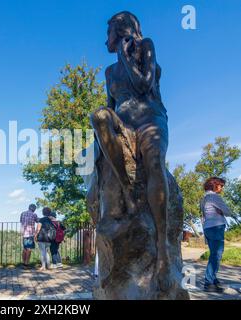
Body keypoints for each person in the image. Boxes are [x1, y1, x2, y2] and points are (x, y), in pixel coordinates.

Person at [91, 11, 171, 289]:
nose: (105, 42)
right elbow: (110, 107)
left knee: (153, 162)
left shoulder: (145, 46)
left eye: (108, 34)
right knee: (99, 116)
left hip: (150, 119)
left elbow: (143, 84)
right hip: (123, 123)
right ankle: (126, 189)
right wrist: (96, 154)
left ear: (123, 31)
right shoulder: (109, 72)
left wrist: (126, 56)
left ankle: (162, 247)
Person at [201, 177, 235, 293]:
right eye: (220, 185)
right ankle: (209, 282)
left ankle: (213, 279)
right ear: (214, 185)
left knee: (214, 254)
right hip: (216, 227)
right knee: (217, 255)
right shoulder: (215, 197)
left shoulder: (204, 198)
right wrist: (222, 212)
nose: (222, 188)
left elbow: (203, 216)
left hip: (208, 228)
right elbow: (228, 211)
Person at [20, 204, 38, 268]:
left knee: (25, 248)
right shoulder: (34, 214)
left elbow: (21, 221)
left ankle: (23, 263)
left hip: (24, 233)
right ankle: (26, 264)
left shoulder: (22, 213)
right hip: (30, 234)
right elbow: (37, 221)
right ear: (34, 209)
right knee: (29, 249)